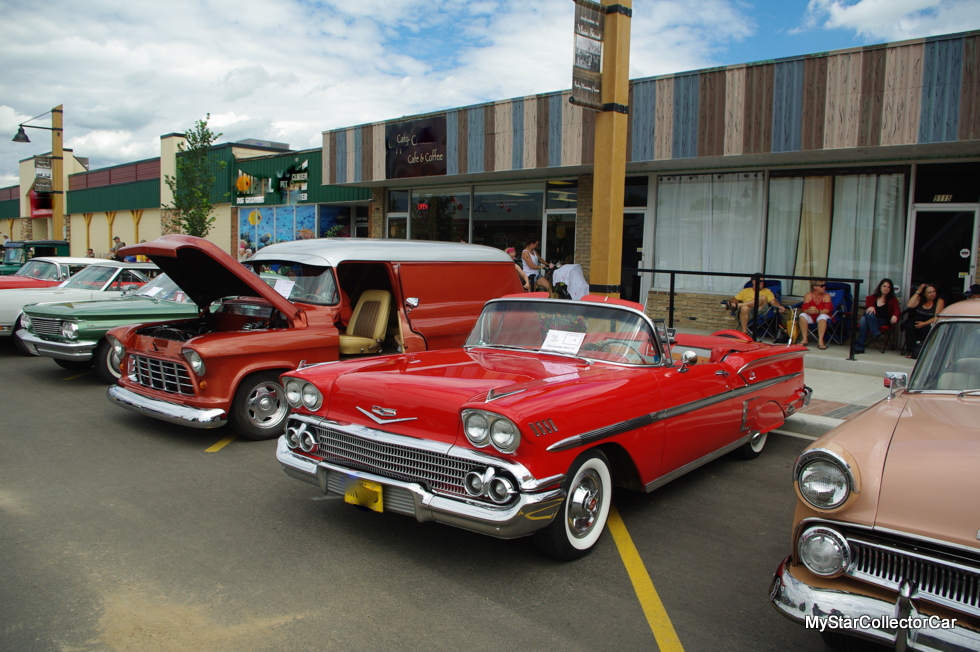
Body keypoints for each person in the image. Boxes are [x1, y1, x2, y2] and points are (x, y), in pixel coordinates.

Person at [853, 278, 901, 353]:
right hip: (871, 320)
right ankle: (876, 334)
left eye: (888, 287)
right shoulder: (873, 297)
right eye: (884, 286)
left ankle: (859, 346)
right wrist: (871, 306)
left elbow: (897, 310)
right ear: (880, 287)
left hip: (882, 322)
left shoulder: (892, 300)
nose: (886, 288)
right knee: (866, 317)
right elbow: (868, 304)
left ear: (891, 289)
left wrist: (895, 316)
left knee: (864, 320)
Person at [903, 283, 944, 358]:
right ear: (925, 294)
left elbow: (937, 317)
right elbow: (910, 305)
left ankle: (922, 351)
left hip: (929, 321)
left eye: (933, 291)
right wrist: (918, 292)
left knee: (926, 329)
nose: (932, 294)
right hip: (917, 319)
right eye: (929, 292)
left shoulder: (939, 301)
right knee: (909, 326)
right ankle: (911, 351)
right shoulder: (920, 299)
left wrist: (924, 323)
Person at [797, 280, 833, 348]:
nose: (824, 287)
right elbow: (804, 309)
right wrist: (810, 311)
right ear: (815, 287)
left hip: (822, 315)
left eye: (825, 285)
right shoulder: (808, 295)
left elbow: (827, 310)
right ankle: (804, 339)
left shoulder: (827, 296)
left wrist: (817, 311)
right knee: (802, 315)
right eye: (822, 286)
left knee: (822, 317)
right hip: (811, 315)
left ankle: (820, 341)